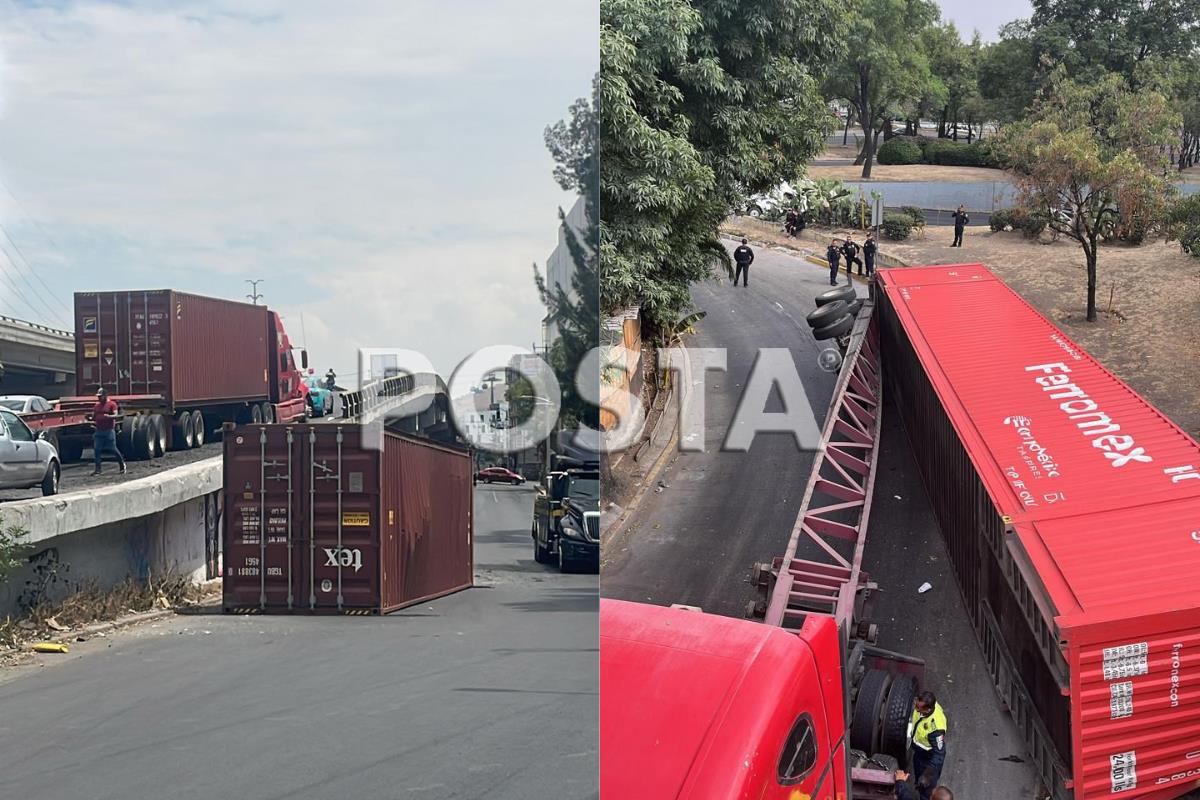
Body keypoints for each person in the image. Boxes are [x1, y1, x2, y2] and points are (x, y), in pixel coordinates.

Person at [909, 691, 948, 800]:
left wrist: (927, 776)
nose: (916, 708)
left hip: (928, 761)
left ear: (928, 709)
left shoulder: (936, 728)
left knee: (926, 791)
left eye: (918, 707)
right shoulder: (925, 705)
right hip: (919, 754)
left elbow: (939, 755)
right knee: (918, 780)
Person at [91, 388, 126, 476]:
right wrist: (91, 419)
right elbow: (94, 416)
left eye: (100, 396)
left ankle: (122, 465)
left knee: (112, 449)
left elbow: (116, 415)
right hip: (99, 430)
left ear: (105, 396)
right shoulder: (96, 406)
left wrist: (109, 416)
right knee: (97, 450)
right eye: (98, 396)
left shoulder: (112, 404)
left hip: (109, 430)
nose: (99, 398)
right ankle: (98, 469)